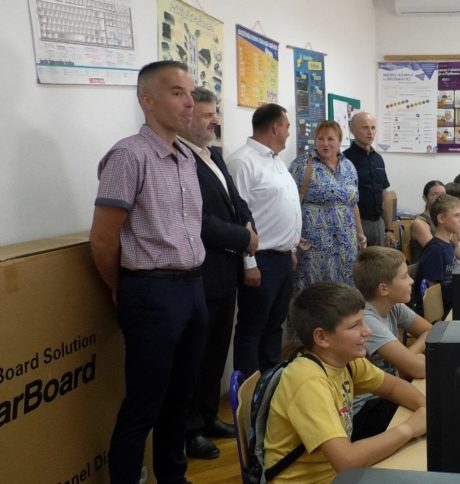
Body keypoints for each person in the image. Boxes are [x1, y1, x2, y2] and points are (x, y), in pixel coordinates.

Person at [90, 60, 207, 483]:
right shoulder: (128, 155)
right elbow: (103, 239)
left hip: (192, 288)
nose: (190, 102)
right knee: (144, 405)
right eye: (177, 92)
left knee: (180, 400)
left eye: (190, 93)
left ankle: (173, 478)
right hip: (152, 292)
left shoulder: (186, 158)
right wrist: (121, 288)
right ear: (148, 100)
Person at [264, 282, 427, 483]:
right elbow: (347, 461)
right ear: (322, 337)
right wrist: (410, 428)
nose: (367, 331)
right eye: (354, 325)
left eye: (364, 321)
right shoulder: (308, 381)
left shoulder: (345, 360)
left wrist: (425, 409)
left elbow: (393, 387)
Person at [177, 87, 255, 459]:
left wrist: (248, 226)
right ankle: (190, 428)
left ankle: (208, 415)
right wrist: (243, 237)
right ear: (187, 116)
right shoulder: (180, 160)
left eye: (215, 114)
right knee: (195, 355)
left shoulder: (214, 156)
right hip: (201, 271)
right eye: (207, 115)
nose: (215, 121)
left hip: (226, 272)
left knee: (216, 351)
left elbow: (236, 203)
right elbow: (198, 219)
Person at [227, 103, 302, 376]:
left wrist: (290, 249)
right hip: (260, 260)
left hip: (281, 258)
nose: (289, 132)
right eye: (287, 126)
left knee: (274, 326)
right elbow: (238, 216)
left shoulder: (275, 160)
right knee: (253, 328)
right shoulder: (242, 161)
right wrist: (249, 263)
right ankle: (248, 391)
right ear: (275, 127)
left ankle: (270, 383)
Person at [351, 247, 433, 440]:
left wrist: (407, 357)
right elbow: (419, 369)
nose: (411, 280)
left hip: (389, 392)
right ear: (384, 289)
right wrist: (409, 362)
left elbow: (431, 332)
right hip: (366, 409)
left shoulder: (393, 306)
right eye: (404, 277)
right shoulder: (367, 320)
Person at [290, 121, 366, 293]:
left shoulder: (349, 166)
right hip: (314, 243)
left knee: (343, 291)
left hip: (346, 243)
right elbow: (289, 204)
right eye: (320, 139)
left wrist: (360, 234)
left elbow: (353, 203)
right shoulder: (302, 165)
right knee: (314, 291)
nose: (325, 143)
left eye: (330, 139)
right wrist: (293, 238)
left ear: (339, 141)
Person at [344, 112, 396, 248]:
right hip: (356, 224)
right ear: (352, 130)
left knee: (378, 261)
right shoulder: (345, 160)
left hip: (378, 223)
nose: (370, 132)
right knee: (358, 261)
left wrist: (389, 229)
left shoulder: (378, 158)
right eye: (365, 128)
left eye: (373, 128)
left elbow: (384, 195)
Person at [413, 194, 460, 317]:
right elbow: (432, 294)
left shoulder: (449, 244)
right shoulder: (435, 250)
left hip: (449, 306)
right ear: (441, 218)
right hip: (437, 315)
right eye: (456, 215)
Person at [410, 180, 446, 262]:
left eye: (443, 195)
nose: (439, 198)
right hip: (429, 265)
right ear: (425, 198)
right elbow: (436, 252)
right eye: (434, 194)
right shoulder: (419, 223)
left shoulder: (444, 219)